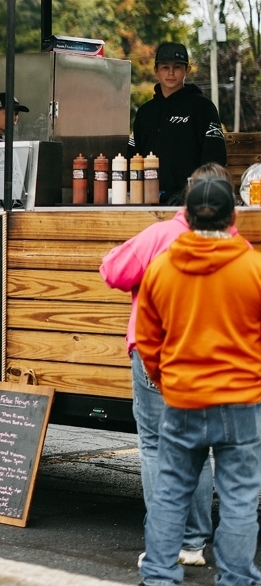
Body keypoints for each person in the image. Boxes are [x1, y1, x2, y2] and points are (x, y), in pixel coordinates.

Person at [101, 164, 231, 569]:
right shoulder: (234, 245)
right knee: (198, 448)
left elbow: (113, 271)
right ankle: (193, 543)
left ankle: (166, 542)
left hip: (158, 353)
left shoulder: (160, 234)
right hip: (210, 356)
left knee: (157, 447)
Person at [136, 176, 261, 586]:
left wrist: (166, 380)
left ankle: (158, 575)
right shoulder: (253, 268)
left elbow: (147, 340)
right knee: (240, 497)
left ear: (186, 217)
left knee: (172, 491)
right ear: (234, 218)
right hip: (241, 402)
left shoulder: (161, 268)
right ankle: (237, 579)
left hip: (182, 398)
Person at [128, 42, 226, 205]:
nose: (171, 72)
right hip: (147, 201)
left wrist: (191, 193)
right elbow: (133, 157)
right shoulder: (145, 112)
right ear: (156, 71)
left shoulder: (203, 108)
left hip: (191, 203)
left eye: (177, 67)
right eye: (165, 67)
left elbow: (215, 159)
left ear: (187, 70)